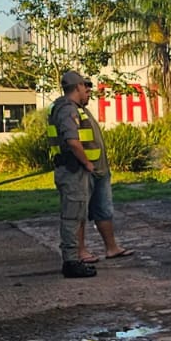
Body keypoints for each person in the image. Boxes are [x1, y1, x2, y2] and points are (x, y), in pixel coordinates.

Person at [47, 70, 106, 278]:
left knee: (77, 214)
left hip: (72, 170)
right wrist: (88, 163)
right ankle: (71, 261)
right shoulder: (67, 109)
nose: (86, 90)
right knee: (72, 216)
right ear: (78, 87)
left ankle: (73, 259)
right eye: (84, 86)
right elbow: (72, 140)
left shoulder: (65, 107)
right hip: (73, 170)